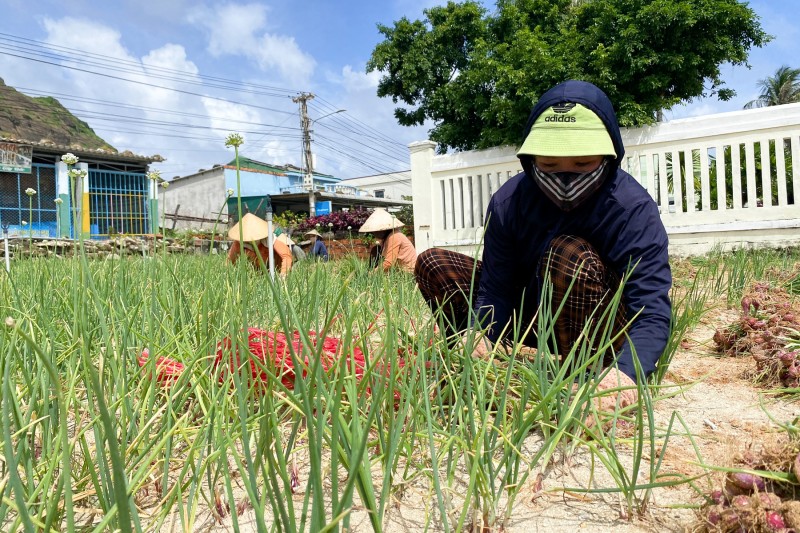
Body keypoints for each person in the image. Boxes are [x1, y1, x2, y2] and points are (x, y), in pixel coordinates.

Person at [414, 80, 672, 413]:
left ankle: (586, 373)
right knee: (434, 263)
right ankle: (479, 363)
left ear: (609, 157)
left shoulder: (629, 207)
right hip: (533, 311)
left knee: (568, 253)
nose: (565, 177)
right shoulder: (509, 202)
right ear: (531, 159)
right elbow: (496, 288)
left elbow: (649, 306)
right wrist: (480, 331)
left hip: (599, 317)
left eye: (582, 165)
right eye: (549, 166)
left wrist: (627, 374)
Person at [227, 213, 292, 275]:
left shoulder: (270, 239)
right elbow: (230, 261)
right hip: (255, 269)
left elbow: (286, 255)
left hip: (275, 267)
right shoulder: (239, 243)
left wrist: (283, 274)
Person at [359, 208, 417, 273]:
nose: (374, 234)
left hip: (407, 273)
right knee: (376, 249)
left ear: (383, 229)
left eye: (375, 231)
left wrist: (372, 273)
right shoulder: (386, 238)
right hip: (398, 271)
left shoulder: (394, 236)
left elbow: (388, 263)